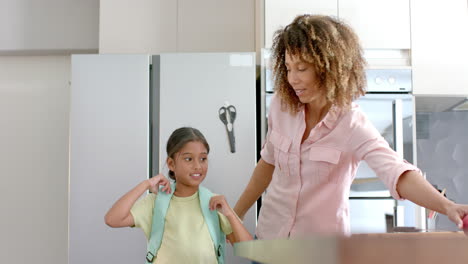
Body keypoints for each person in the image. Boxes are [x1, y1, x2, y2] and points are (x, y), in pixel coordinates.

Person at [234, 14, 468, 239]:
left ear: (328, 67)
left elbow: (396, 170)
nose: (292, 78)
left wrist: (446, 206)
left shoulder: (352, 124)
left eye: (302, 68)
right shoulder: (281, 106)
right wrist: (237, 214)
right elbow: (268, 163)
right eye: (288, 68)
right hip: (268, 239)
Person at [105, 127, 252, 263]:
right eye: (188, 159)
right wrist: (146, 185)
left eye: (203, 158)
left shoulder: (214, 203)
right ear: (171, 164)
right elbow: (113, 219)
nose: (198, 166)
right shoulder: (156, 203)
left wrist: (230, 215)